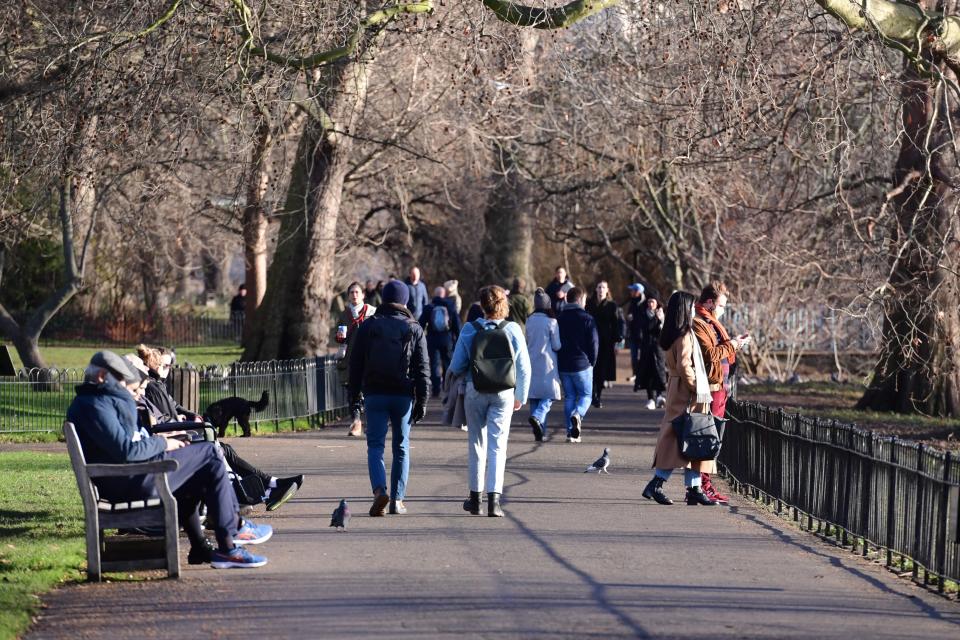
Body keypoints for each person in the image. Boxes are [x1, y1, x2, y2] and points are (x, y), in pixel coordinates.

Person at [67, 351, 272, 569]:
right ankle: (233, 530)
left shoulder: (98, 402)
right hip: (130, 483)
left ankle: (213, 548)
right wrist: (165, 444)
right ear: (100, 377)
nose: (125, 386)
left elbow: (127, 443)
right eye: (121, 380)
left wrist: (161, 440)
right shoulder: (96, 406)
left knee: (201, 473)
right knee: (210, 453)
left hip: (131, 477)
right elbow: (127, 450)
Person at [136, 345, 302, 511]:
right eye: (165, 366)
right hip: (173, 440)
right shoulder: (152, 387)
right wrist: (177, 420)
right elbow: (160, 421)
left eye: (170, 366)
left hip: (174, 436)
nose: (169, 370)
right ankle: (262, 490)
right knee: (218, 450)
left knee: (223, 449)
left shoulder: (155, 385)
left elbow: (170, 407)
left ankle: (270, 484)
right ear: (153, 366)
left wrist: (186, 415)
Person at [348, 280, 430, 517]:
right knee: (401, 446)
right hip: (403, 395)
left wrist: (354, 396)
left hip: (374, 393)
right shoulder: (413, 327)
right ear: (405, 301)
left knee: (375, 445)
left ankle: (379, 491)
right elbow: (423, 368)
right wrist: (422, 400)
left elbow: (356, 364)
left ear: (383, 300)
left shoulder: (368, 326)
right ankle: (397, 500)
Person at [449, 285, 530, 517]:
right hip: (504, 392)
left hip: (475, 390)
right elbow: (524, 367)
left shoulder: (470, 329)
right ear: (503, 304)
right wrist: (520, 396)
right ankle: (494, 502)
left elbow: (456, 366)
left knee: (476, 443)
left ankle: (475, 499)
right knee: (498, 445)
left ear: (482, 305)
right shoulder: (513, 329)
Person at [641, 291, 719, 507]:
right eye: (692, 306)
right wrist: (696, 388)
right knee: (689, 436)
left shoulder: (672, 333)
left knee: (687, 437)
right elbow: (685, 366)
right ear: (685, 309)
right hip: (687, 392)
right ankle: (659, 483)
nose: (694, 310)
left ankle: (693, 487)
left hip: (678, 388)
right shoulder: (684, 335)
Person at [692, 282, 751, 504]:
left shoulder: (710, 322)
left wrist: (736, 343)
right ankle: (701, 485)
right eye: (722, 305)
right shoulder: (700, 322)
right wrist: (734, 344)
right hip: (712, 387)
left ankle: (702, 484)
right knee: (708, 438)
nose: (723, 310)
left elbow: (720, 350)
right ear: (709, 303)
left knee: (712, 438)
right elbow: (712, 354)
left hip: (719, 385)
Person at [556, 287, 598, 443]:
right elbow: (594, 343)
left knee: (570, 397)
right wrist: (592, 361)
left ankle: (571, 433)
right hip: (582, 363)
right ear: (580, 300)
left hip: (564, 364)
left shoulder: (559, 318)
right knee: (586, 396)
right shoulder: (587, 318)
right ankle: (578, 414)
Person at [335, 282, 377, 437]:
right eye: (351, 292)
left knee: (367, 391)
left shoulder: (372, 312)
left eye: (357, 292)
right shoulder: (344, 314)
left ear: (363, 294)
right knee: (352, 391)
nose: (354, 295)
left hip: (368, 358)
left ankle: (370, 422)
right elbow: (339, 336)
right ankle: (356, 422)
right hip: (350, 359)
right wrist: (339, 337)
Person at [525, 288, 561, 442]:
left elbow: (527, 341)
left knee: (534, 397)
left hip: (531, 361)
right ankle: (538, 417)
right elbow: (557, 345)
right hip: (547, 363)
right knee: (549, 396)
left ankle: (540, 431)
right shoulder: (552, 321)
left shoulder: (529, 320)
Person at [585, 281, 624, 409]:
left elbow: (616, 323)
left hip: (606, 341)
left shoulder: (612, 306)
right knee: (591, 368)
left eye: (603, 287)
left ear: (607, 290)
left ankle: (598, 396)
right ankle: (591, 394)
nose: (601, 289)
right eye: (599, 287)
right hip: (590, 340)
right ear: (596, 289)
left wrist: (618, 339)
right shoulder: (589, 304)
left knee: (602, 369)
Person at [421, 286, 461, 398]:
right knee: (447, 363)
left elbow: (421, 324)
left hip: (432, 339)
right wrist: (457, 339)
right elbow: (457, 326)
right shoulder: (450, 306)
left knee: (434, 364)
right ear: (444, 295)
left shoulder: (429, 307)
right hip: (447, 339)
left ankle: (436, 389)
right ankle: (447, 388)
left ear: (434, 294)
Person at [635, 296, 667, 409]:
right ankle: (650, 399)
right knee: (648, 374)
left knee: (659, 373)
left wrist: (661, 319)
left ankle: (659, 396)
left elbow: (664, 331)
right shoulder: (643, 314)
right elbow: (646, 328)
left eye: (653, 302)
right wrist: (656, 319)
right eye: (649, 301)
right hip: (647, 348)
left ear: (657, 303)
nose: (650, 304)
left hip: (659, 349)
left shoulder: (662, 315)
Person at [624, 283, 646, 382]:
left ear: (638, 292)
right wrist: (629, 319)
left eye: (632, 290)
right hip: (633, 334)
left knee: (642, 356)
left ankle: (642, 375)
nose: (631, 292)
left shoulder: (645, 303)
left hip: (643, 335)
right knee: (634, 357)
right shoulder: (632, 302)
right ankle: (635, 374)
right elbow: (629, 316)